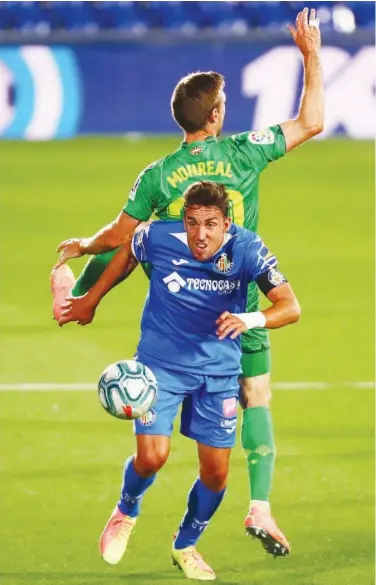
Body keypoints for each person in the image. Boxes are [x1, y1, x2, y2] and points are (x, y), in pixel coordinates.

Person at [51, 7, 322, 556]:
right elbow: (312, 122)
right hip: (241, 298)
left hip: (181, 304)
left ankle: (72, 291)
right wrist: (311, 55)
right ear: (217, 114)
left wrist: (83, 255)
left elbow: (121, 239)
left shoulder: (157, 174)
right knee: (258, 396)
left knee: (144, 245)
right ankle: (261, 507)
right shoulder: (246, 150)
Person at [60, 182, 300, 580]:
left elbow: (290, 306)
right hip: (160, 367)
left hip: (218, 373)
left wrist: (251, 319)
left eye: (210, 225)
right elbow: (124, 257)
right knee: (152, 457)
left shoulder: (248, 248)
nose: (200, 235)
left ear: (226, 223)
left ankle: (185, 543)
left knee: (217, 474)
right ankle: (126, 510)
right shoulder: (156, 237)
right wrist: (91, 299)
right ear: (183, 220)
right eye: (192, 223)